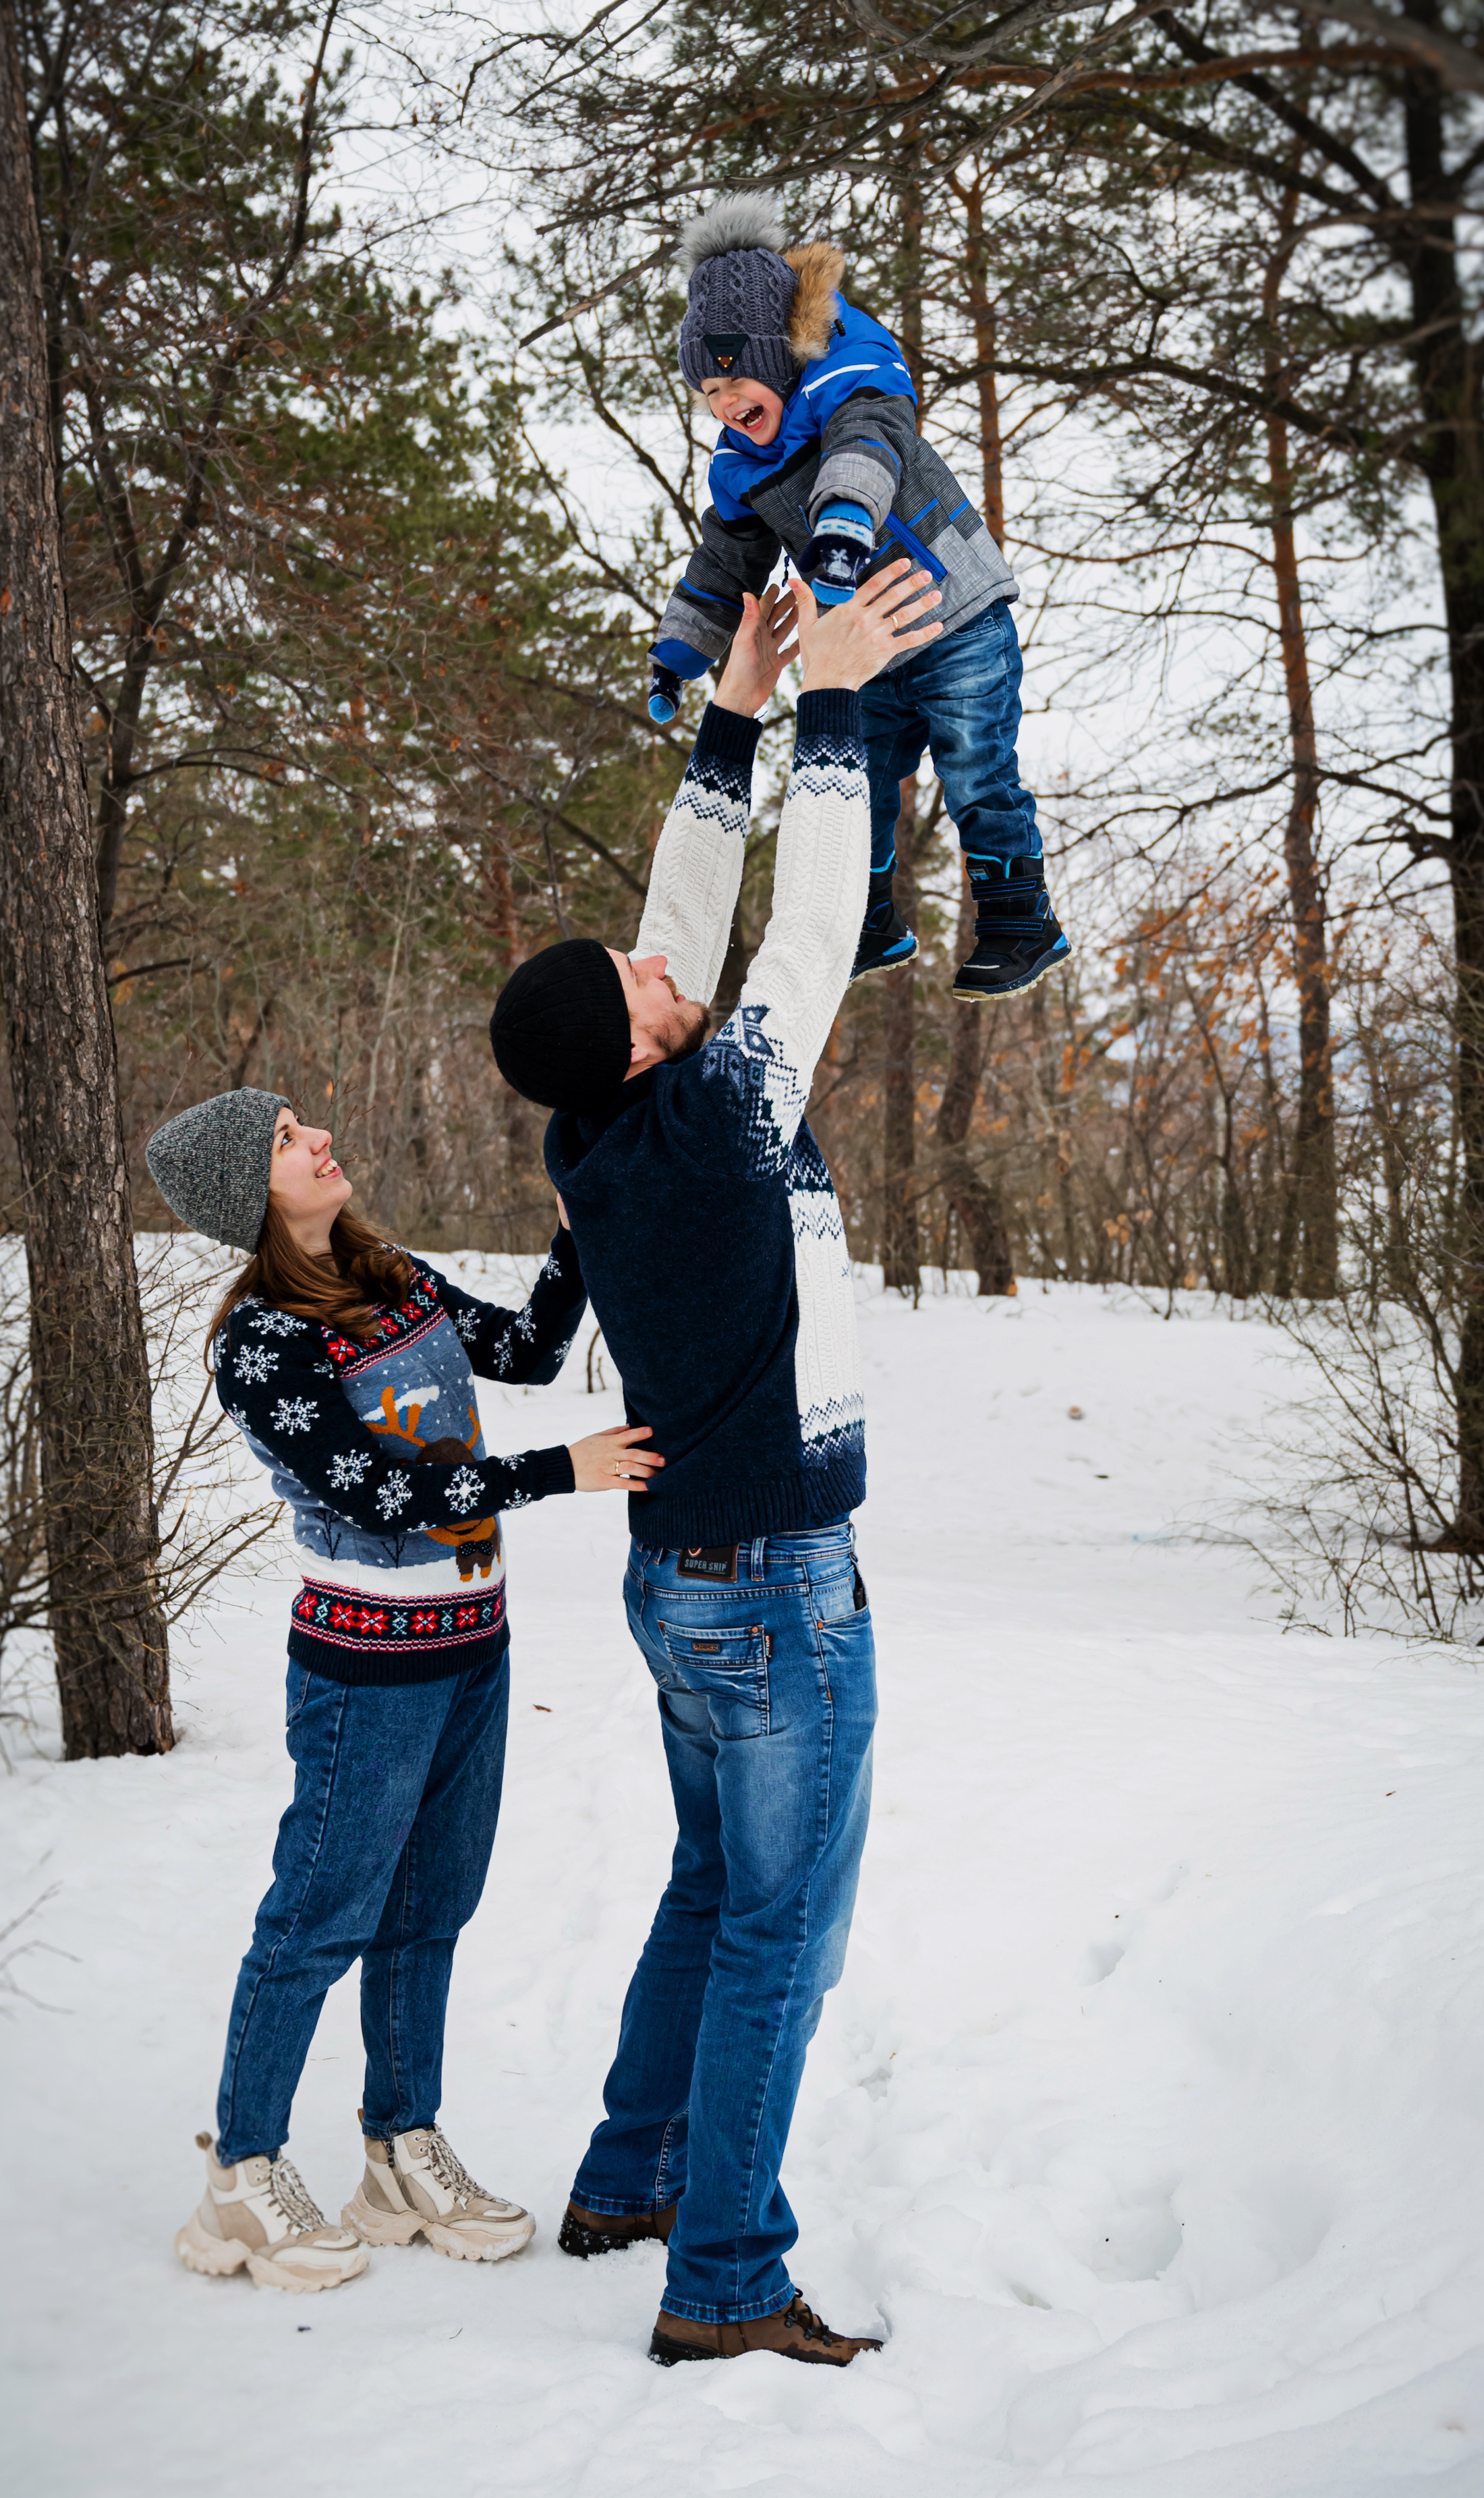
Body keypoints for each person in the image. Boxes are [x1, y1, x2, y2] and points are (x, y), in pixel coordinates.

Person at [488, 559, 937, 2366]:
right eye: (640, 979)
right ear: (643, 1036)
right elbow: (808, 933)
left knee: (707, 1888)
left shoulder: (611, 1128)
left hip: (686, 1583)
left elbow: (675, 930)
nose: (663, 958)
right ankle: (726, 2274)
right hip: (772, 1587)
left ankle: (628, 2176)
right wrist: (832, 707)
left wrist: (733, 711)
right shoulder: (722, 1106)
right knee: (777, 1929)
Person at [143, 1091, 662, 2294]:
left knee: (433, 1906)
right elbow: (382, 1491)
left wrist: (577, 1233)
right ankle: (243, 2180)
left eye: (303, 1122)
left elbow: (528, 1347)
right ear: (249, 1193)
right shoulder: (261, 1339)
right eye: (284, 1140)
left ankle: (399, 2144)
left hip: (474, 1646)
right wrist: (560, 1470)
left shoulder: (396, 1276)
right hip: (363, 1671)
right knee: (318, 1917)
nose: (321, 1134)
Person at [643, 189, 1068, 1005]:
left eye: (735, 381)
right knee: (853, 777)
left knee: (976, 768)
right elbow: (724, 558)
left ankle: (1019, 919)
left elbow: (864, 453)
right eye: (708, 395)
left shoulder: (857, 380)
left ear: (777, 356)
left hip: (956, 620)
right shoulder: (741, 464)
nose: (726, 406)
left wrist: (841, 529)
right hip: (864, 647)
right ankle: (869, 919)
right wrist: (678, 654)